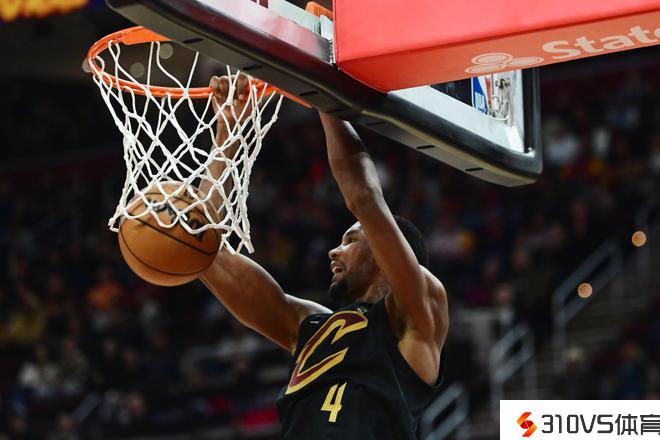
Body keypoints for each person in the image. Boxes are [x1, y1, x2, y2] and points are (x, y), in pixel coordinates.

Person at [199, 75, 448, 439]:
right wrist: (227, 135)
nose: (334, 250)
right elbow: (204, 251)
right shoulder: (311, 326)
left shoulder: (418, 313)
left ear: (387, 252)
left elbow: (363, 196)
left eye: (351, 240)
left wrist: (319, 87)